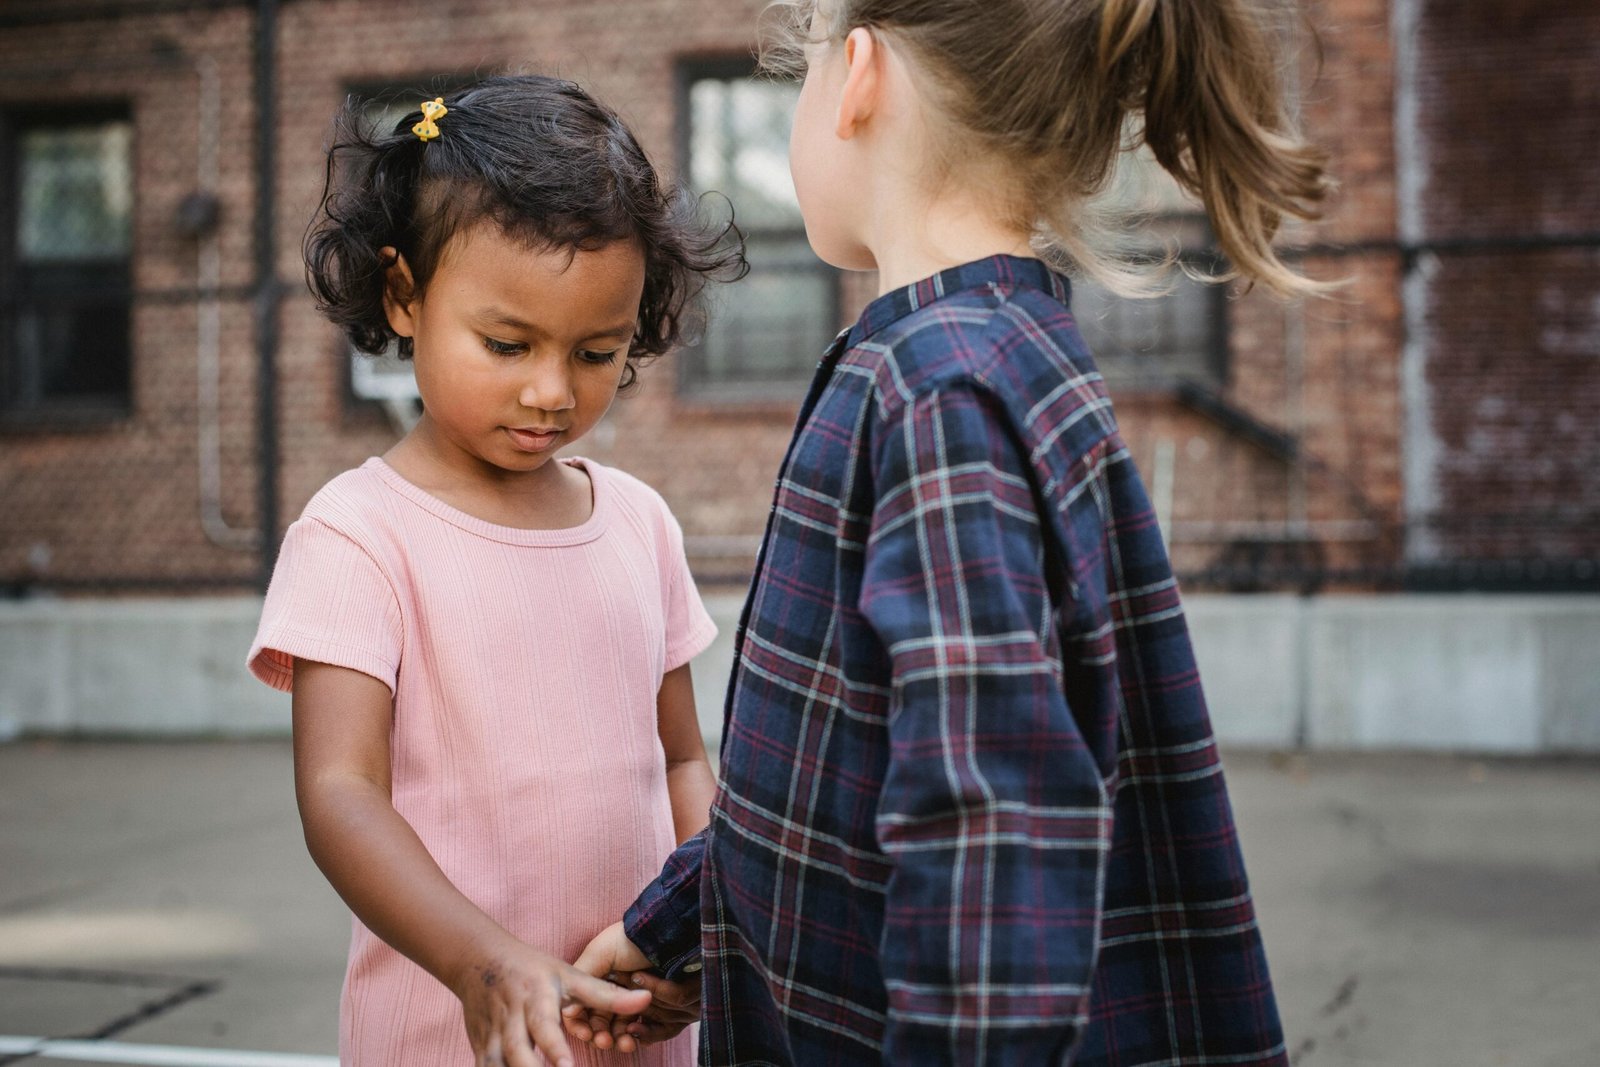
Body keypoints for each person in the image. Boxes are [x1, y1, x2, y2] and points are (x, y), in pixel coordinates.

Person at [567, 0, 1328, 1063]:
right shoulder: (985, 352)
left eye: (805, 69)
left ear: (862, 75)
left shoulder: (939, 389)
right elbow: (844, 764)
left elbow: (994, 839)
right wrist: (676, 929)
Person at [247, 74, 743, 1067]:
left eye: (598, 351)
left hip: (634, 1029)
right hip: (450, 1032)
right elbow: (342, 792)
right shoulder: (358, 534)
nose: (551, 390)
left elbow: (685, 759)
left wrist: (706, 933)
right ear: (403, 294)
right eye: (505, 343)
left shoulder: (637, 524)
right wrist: (483, 965)